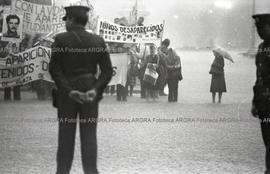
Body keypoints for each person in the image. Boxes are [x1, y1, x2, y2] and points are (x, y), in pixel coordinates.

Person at [49, 5, 113, 174]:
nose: (65, 23)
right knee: (89, 138)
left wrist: (69, 90)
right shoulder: (98, 41)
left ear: (71, 20)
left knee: (65, 139)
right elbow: (107, 71)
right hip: (90, 93)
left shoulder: (61, 39)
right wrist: (95, 90)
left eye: (66, 19)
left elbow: (54, 70)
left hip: (67, 94)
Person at [251, 3, 270, 174]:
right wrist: (255, 103)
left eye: (262, 26)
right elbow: (259, 79)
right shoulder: (262, 48)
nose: (259, 31)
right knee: (268, 141)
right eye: (258, 27)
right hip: (265, 106)